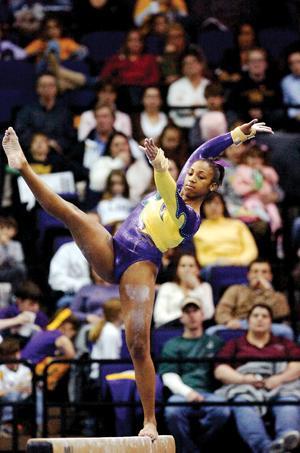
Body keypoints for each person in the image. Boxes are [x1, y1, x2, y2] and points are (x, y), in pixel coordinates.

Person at [1, 118, 274, 439]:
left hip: (140, 264)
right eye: (190, 173)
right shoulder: (184, 179)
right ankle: (22, 166)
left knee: (139, 345)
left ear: (212, 188)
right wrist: (239, 134)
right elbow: (204, 150)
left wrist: (160, 166)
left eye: (200, 177)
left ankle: (150, 421)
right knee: (71, 212)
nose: (191, 178)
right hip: (112, 249)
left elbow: (170, 196)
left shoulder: (191, 219)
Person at [214, 304, 300, 453]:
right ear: (248, 321)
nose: (260, 319)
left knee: (289, 400)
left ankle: (285, 438)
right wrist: (245, 379)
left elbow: (297, 365)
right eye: (255, 315)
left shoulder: (283, 342)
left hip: (280, 384)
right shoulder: (235, 344)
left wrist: (279, 379)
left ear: (271, 322)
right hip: (245, 386)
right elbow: (220, 370)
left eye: (264, 316)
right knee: (241, 402)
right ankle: (266, 448)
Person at [159, 294, 230, 452]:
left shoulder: (216, 342)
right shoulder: (172, 345)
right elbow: (168, 375)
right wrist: (188, 392)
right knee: (172, 412)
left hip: (212, 394)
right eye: (187, 311)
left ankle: (199, 446)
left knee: (222, 411)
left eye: (195, 310)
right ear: (181, 317)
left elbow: (225, 369)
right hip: (182, 395)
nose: (191, 315)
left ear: (202, 314)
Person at [207, 259, 293, 340]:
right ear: (248, 275)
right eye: (255, 271)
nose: (259, 275)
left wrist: (268, 290)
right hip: (239, 323)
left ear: (270, 276)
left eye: (264, 272)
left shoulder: (277, 295)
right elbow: (222, 310)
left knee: (286, 331)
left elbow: (282, 313)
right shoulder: (236, 289)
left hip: (265, 324)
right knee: (210, 331)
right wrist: (228, 321)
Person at [193, 192, 258, 269]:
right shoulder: (198, 229)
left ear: (223, 206)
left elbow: (251, 250)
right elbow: (201, 258)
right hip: (213, 268)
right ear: (202, 206)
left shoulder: (238, 225)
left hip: (240, 265)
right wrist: (219, 263)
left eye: (217, 203)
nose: (213, 207)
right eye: (209, 203)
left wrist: (236, 261)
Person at [153, 252, 214, 328]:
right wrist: (186, 316)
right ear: (177, 270)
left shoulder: (205, 287)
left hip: (195, 332)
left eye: (191, 266)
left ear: (198, 270)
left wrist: (197, 287)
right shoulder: (167, 287)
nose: (187, 269)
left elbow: (208, 314)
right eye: (183, 266)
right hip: (170, 330)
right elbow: (159, 318)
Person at [167, 49, 211, 129]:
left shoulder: (208, 84)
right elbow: (175, 108)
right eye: (186, 63)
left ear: (201, 65)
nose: (190, 65)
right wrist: (195, 108)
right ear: (182, 68)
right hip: (181, 127)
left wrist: (191, 110)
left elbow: (212, 107)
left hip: (204, 127)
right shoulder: (175, 86)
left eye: (193, 62)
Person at [0, 338, 32, 437]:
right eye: (10, 354)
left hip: (24, 400)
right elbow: (1, 392)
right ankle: (7, 424)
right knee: (13, 396)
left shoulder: (26, 368)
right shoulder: (1, 370)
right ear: (3, 356)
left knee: (39, 394)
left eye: (15, 353)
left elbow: (29, 389)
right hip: (6, 400)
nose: (13, 357)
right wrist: (17, 389)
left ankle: (40, 424)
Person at [281, 49, 300, 132]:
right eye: (291, 63)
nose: (295, 66)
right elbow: (287, 104)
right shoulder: (286, 81)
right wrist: (296, 115)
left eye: (298, 62)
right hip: (295, 119)